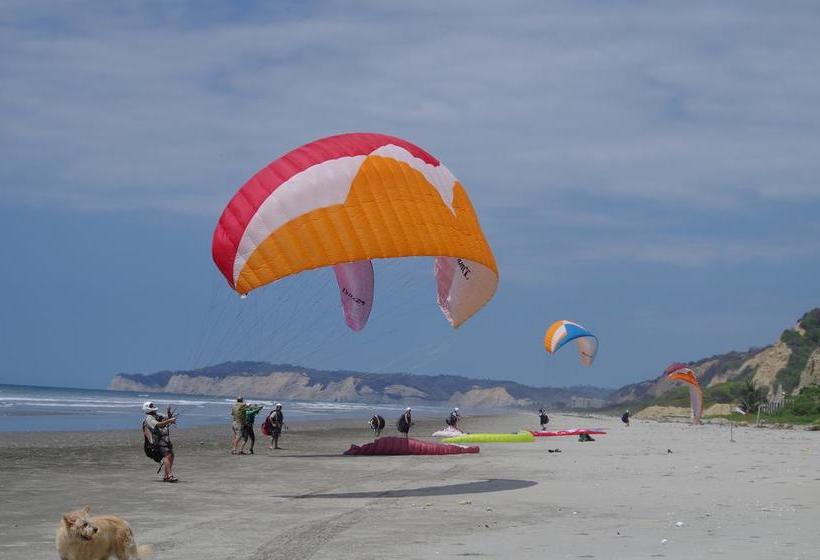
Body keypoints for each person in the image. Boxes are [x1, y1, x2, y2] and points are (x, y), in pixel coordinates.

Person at [142, 401, 178, 482]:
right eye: (152, 406)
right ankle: (170, 476)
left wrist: (169, 414)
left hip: (165, 439)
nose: (154, 407)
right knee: (167, 455)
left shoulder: (158, 415)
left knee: (171, 455)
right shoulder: (149, 419)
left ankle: (166, 476)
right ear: (148, 409)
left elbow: (166, 419)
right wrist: (170, 420)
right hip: (157, 441)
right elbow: (159, 424)